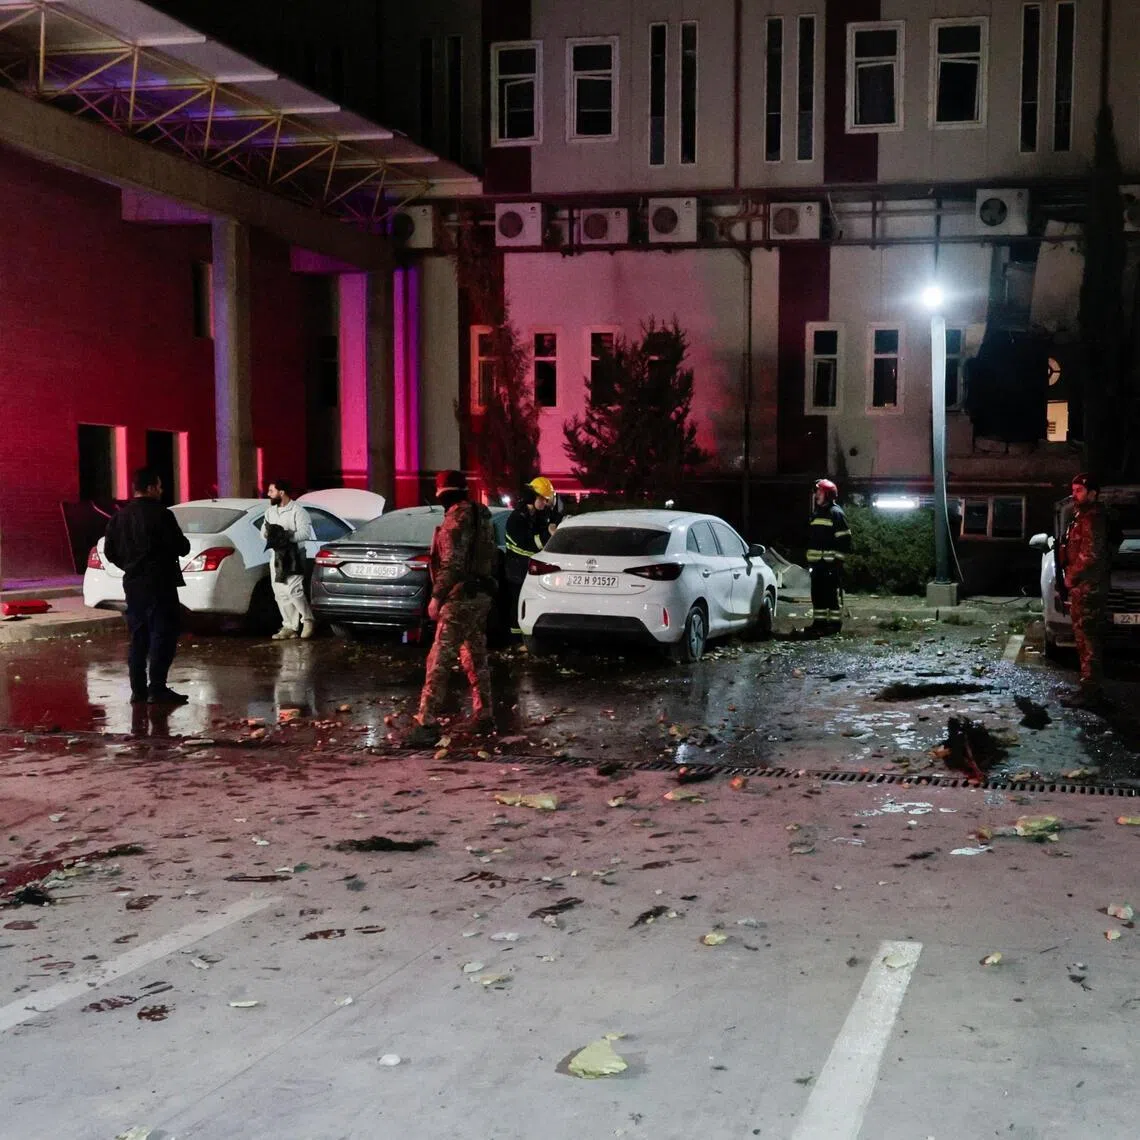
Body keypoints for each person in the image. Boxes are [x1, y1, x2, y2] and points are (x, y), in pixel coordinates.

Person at [405, 470, 497, 745]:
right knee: (474, 654)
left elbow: (452, 564)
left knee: (439, 659)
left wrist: (436, 597)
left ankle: (426, 721)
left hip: (460, 597)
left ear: (442, 492)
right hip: (481, 595)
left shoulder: (456, 519)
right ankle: (484, 713)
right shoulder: (483, 516)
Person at [103, 466, 191, 704]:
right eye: (160, 486)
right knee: (163, 634)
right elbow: (182, 546)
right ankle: (158, 687)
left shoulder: (118, 517)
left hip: (133, 584)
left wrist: (130, 565)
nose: (161, 490)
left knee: (138, 636)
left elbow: (109, 551)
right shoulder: (162, 514)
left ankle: (138, 690)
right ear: (151, 488)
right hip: (160, 583)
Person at [1061, 472, 1110, 707]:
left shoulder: (1094, 518)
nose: (1074, 494)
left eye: (1079, 490)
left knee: (1088, 640)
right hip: (1084, 588)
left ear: (1092, 492)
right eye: (1074, 490)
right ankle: (1089, 688)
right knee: (1083, 639)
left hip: (1089, 588)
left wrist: (1072, 575)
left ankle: (1090, 692)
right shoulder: (1082, 516)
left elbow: (1090, 554)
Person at [261, 479, 315, 640]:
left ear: (281, 492)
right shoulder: (270, 512)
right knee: (280, 593)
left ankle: (308, 619)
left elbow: (305, 533)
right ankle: (289, 626)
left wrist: (285, 536)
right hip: (276, 557)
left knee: (294, 591)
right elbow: (263, 531)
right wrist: (269, 536)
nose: (268, 494)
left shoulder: (298, 511)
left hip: (293, 556)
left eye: (271, 491)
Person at [805, 478, 851, 635]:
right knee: (817, 596)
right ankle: (819, 624)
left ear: (828, 494)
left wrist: (837, 562)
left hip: (830, 565)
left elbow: (844, 539)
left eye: (819, 492)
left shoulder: (836, 513)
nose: (817, 495)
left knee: (830, 597)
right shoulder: (818, 513)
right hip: (817, 565)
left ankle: (834, 625)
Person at [504, 484, 547, 634]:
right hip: (517, 568)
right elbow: (525, 544)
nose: (545, 503)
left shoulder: (535, 516)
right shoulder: (517, 518)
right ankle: (516, 638)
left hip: (527, 568)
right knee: (518, 602)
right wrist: (548, 535)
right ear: (532, 499)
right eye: (542, 499)